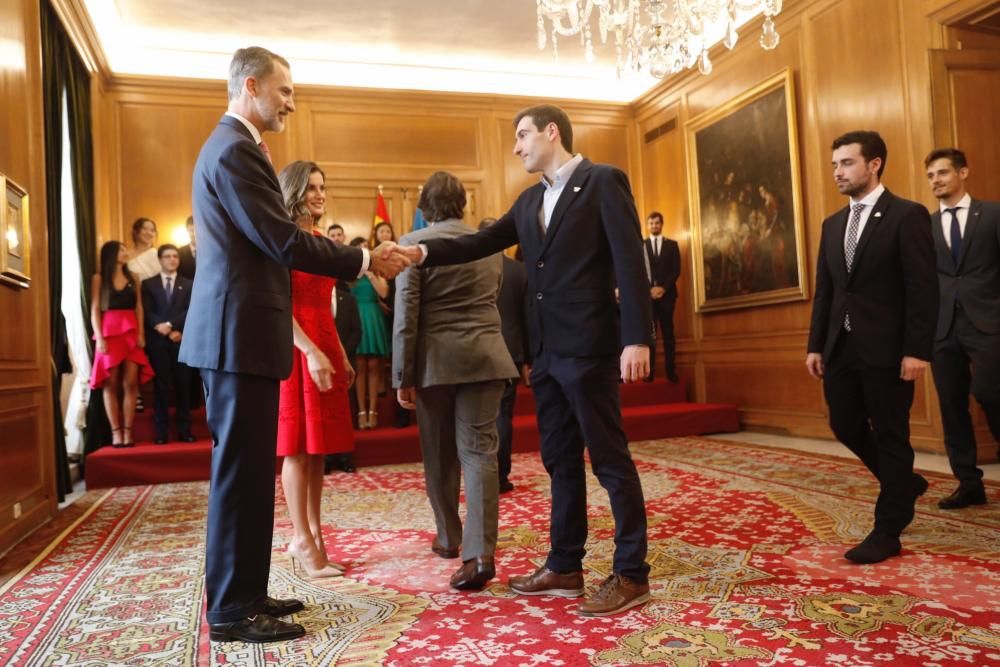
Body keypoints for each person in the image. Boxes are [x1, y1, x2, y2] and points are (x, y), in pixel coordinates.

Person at [178, 46, 409, 644]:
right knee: (239, 474)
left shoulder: (238, 148)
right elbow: (282, 240)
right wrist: (361, 257)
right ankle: (231, 610)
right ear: (251, 86)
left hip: (245, 334)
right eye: (284, 90)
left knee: (253, 471)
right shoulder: (233, 150)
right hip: (235, 336)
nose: (290, 101)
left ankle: (248, 593)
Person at [401, 104, 654, 617]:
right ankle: (565, 565)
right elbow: (478, 243)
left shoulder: (604, 182)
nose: (516, 147)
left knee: (609, 462)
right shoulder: (529, 200)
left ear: (551, 133)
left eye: (522, 136)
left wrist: (637, 339)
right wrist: (421, 254)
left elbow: (630, 260)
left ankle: (632, 573)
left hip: (591, 348)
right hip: (547, 354)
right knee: (560, 460)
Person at [806, 130, 937, 564]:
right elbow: (826, 292)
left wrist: (917, 350)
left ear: (874, 164)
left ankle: (888, 529)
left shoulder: (907, 215)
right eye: (834, 165)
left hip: (888, 349)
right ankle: (903, 482)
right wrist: (816, 345)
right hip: (841, 347)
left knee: (891, 433)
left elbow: (922, 289)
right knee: (844, 424)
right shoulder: (832, 224)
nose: (837, 172)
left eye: (846, 163)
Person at [394, 172, 517, 590]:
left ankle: (449, 538)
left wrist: (402, 375)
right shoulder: (488, 244)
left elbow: (406, 314)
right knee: (480, 453)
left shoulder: (413, 243)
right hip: (486, 357)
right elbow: (493, 298)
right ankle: (480, 553)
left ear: (425, 206)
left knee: (439, 453)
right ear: (462, 204)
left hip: (435, 364)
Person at [276, 160, 357, 577]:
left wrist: (338, 350)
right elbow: (280, 305)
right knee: (296, 448)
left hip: (323, 339)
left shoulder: (319, 239)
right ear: (294, 192)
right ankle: (303, 541)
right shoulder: (283, 240)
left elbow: (326, 303)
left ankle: (312, 533)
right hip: (295, 346)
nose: (320, 194)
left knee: (317, 448)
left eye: (323, 186)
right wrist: (309, 350)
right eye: (311, 187)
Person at [924, 147, 1000, 509]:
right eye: (931, 176)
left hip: (988, 323)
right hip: (942, 328)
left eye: (942, 173)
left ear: (963, 172)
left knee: (991, 394)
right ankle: (969, 484)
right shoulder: (924, 225)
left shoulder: (993, 214)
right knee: (952, 406)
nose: (936, 180)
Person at [479, 217, 531, 494]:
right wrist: (528, 359)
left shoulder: (469, 268)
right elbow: (528, 319)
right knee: (503, 416)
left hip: (476, 352)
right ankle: (500, 476)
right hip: (511, 351)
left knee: (477, 416)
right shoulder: (519, 271)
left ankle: (482, 476)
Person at [89, 241, 154, 448]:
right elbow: (95, 308)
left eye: (126, 249)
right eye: (122, 249)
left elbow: (139, 308)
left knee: (131, 383)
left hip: (131, 331)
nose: (126, 253)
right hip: (109, 332)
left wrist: (141, 333)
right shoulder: (99, 278)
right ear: (111, 254)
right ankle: (116, 432)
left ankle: (128, 431)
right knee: (110, 382)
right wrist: (99, 337)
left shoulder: (133, 277)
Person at [140, 244, 195, 444]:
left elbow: (191, 310)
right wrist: (160, 326)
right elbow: (146, 311)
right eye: (167, 256)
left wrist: (173, 327)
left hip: (181, 340)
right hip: (157, 341)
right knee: (161, 387)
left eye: (175, 256)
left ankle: (184, 430)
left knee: (183, 386)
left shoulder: (188, 284)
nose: (172, 259)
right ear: (160, 260)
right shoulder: (148, 284)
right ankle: (161, 433)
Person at [350, 236, 391, 429]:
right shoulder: (349, 272)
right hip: (356, 316)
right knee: (359, 367)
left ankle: (373, 410)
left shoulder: (376, 269)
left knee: (375, 365)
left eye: (366, 247)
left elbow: (384, 293)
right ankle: (361, 411)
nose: (364, 250)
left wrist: (371, 273)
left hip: (373, 317)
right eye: (359, 248)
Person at [328, 277, 362, 466]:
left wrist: (342, 356)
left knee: (344, 411)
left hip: (344, 362)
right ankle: (326, 458)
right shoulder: (314, 301)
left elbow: (356, 331)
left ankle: (345, 457)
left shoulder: (348, 299)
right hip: (318, 362)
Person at [644, 212, 681, 382]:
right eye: (651, 223)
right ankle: (649, 373)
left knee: (668, 333)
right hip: (648, 297)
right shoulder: (641, 246)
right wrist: (649, 289)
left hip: (667, 296)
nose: (654, 226)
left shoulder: (672, 245)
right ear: (648, 225)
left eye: (657, 223)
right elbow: (638, 271)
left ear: (662, 224)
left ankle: (670, 372)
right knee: (650, 335)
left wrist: (663, 288)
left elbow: (676, 270)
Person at [127, 217, 162, 281]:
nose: (149, 233)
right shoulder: (126, 255)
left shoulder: (158, 255)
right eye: (144, 229)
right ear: (135, 231)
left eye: (152, 230)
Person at [178, 216, 197, 281]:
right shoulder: (179, 252)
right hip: (187, 289)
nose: (194, 234)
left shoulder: (211, 251)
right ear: (187, 231)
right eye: (191, 230)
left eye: (197, 230)